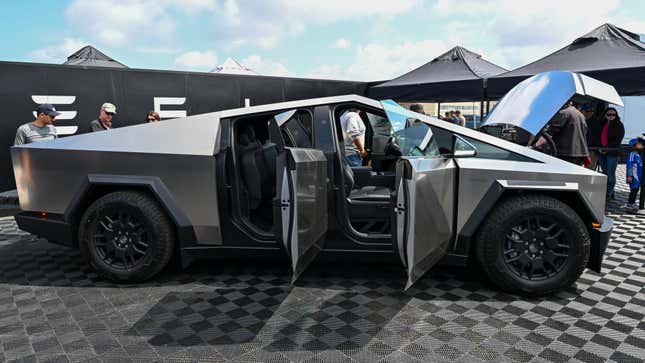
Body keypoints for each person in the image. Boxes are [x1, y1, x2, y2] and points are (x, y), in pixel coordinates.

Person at [595, 107, 625, 199]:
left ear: (616, 116)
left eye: (613, 114)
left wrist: (607, 149)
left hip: (612, 153)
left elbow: (617, 140)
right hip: (601, 152)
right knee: (604, 173)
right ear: (605, 115)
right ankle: (607, 192)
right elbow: (597, 136)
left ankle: (608, 193)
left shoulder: (619, 125)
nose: (611, 116)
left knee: (611, 174)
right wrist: (599, 148)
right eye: (609, 114)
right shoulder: (601, 123)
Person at [625, 137, 644, 214]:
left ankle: (632, 203)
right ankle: (630, 204)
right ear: (634, 145)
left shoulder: (638, 155)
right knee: (633, 190)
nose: (642, 145)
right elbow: (629, 165)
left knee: (636, 190)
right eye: (640, 144)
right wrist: (629, 176)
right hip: (634, 176)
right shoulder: (632, 154)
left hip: (638, 176)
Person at [581, 104, 599, 170]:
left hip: (591, 150)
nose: (589, 113)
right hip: (580, 149)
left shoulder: (595, 122)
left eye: (591, 111)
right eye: (587, 111)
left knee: (589, 169)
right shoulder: (580, 120)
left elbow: (597, 137)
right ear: (582, 111)